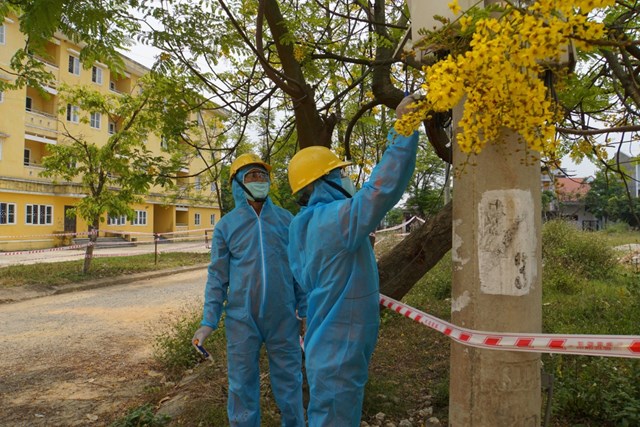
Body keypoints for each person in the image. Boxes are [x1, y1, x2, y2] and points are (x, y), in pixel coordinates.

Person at [286, 95, 420, 426]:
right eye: (339, 174)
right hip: (339, 349)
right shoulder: (336, 219)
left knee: (328, 413)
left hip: (327, 344)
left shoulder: (302, 225)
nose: (347, 180)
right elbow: (381, 190)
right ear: (324, 181)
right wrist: (403, 129)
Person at [193, 153, 307, 427]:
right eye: (251, 176)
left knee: (290, 380)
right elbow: (217, 277)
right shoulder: (227, 226)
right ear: (237, 184)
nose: (259, 180)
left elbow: (299, 269)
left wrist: (305, 310)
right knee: (242, 384)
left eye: (263, 175)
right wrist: (208, 321)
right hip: (242, 320)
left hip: (283, 318)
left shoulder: (286, 220)